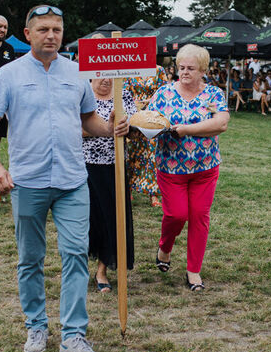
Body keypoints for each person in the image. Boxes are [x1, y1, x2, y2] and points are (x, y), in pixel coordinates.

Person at [0, 4, 128, 352]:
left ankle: (74, 336)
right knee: (30, 259)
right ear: (28, 34)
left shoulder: (77, 73)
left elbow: (89, 118)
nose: (51, 35)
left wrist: (111, 128)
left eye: (57, 30)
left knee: (76, 254)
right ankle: (36, 325)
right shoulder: (9, 75)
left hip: (73, 181)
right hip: (27, 182)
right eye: (43, 29)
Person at [148, 45, 229, 291]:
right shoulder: (163, 93)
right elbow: (149, 119)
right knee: (176, 215)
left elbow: (221, 123)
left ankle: (193, 271)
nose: (184, 72)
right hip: (170, 168)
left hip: (205, 168)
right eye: (181, 67)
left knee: (199, 218)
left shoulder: (213, 95)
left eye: (190, 68)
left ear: (203, 70)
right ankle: (165, 247)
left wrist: (186, 129)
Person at [83, 77, 136, 293]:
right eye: (100, 74)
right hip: (83, 166)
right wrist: (105, 128)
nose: (106, 79)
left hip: (115, 166)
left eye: (110, 75)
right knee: (87, 219)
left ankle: (102, 270)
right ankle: (79, 266)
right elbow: (69, 127)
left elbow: (133, 128)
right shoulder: (84, 93)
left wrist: (129, 128)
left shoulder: (123, 94)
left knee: (111, 219)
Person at [127, 65, 170, 208]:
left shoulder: (159, 70)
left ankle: (153, 194)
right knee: (131, 152)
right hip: (134, 114)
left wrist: (150, 101)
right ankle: (128, 189)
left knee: (151, 155)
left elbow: (165, 92)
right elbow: (124, 92)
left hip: (152, 116)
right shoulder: (129, 68)